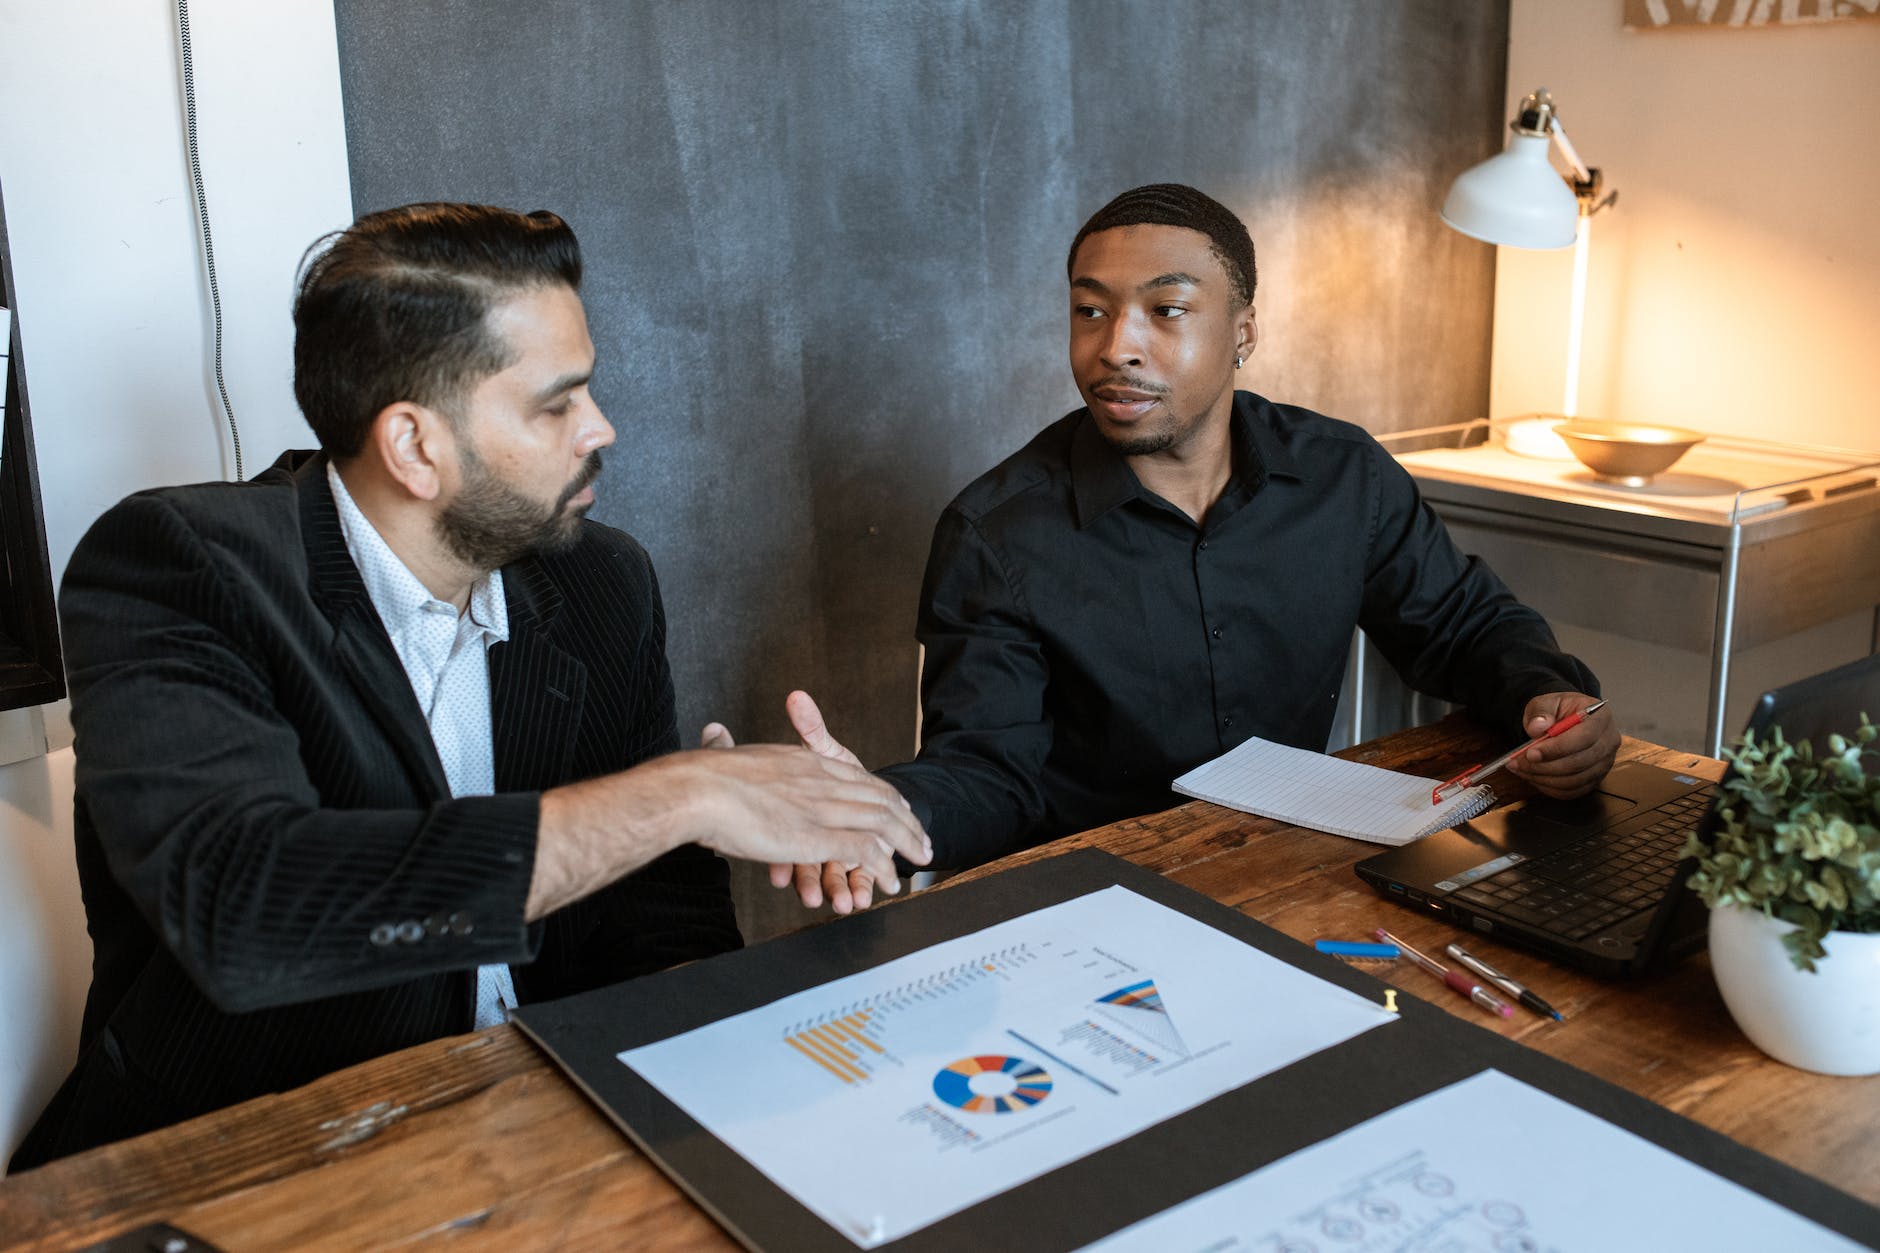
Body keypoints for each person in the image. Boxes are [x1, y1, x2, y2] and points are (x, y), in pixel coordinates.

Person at [11, 203, 928, 1169]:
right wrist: (687, 792)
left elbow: (656, 913)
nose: (601, 427)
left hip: (549, 1133)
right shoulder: (182, 567)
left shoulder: (598, 579)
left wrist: (725, 1072)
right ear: (414, 445)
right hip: (250, 1164)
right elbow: (250, 905)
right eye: (555, 403)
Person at [784, 183, 1616, 895]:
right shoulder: (996, 532)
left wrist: (1549, 697)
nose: (1117, 347)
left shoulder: (1342, 477)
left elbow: (1465, 628)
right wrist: (880, 810)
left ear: (1244, 333)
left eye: (1166, 310)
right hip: (1088, 905)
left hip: (1297, 875)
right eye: (1090, 311)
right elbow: (988, 771)